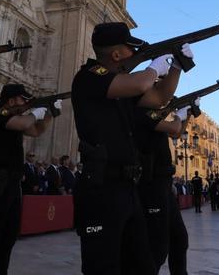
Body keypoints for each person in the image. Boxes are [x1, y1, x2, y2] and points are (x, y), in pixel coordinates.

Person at [71, 22, 185, 274]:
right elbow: (140, 84)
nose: (134, 54)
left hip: (128, 187)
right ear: (116, 54)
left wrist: (177, 66)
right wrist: (154, 68)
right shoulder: (89, 77)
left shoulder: (122, 86)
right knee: (102, 266)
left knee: (142, 265)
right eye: (129, 49)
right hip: (101, 189)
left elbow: (158, 97)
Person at [0, 83, 53, 275]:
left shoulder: (14, 116)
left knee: (8, 238)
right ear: (12, 100)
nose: (26, 103)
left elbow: (36, 131)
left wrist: (50, 114)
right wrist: (35, 113)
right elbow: (23, 123)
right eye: (24, 99)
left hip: (13, 183)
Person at [134, 98, 191, 274]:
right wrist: (178, 115)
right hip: (152, 183)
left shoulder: (155, 116)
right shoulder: (144, 113)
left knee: (179, 239)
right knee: (157, 247)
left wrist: (187, 114)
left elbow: (177, 132)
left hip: (164, 184)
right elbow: (174, 128)